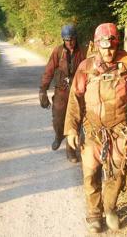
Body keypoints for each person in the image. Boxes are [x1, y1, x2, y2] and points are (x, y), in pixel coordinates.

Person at [64, 22, 127, 233]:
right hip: (92, 130)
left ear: (117, 45)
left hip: (118, 129)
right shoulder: (85, 67)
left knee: (117, 172)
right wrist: (71, 129)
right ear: (96, 45)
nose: (108, 51)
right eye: (104, 47)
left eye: (112, 46)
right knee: (91, 173)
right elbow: (75, 99)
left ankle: (111, 208)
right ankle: (94, 214)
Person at [39, 24, 85, 163]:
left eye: (72, 39)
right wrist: (43, 90)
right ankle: (59, 136)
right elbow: (49, 70)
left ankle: (70, 151)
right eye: (67, 40)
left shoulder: (83, 51)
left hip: (77, 91)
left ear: (76, 38)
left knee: (75, 121)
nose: (70, 42)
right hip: (61, 91)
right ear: (63, 40)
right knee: (58, 120)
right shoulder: (58, 52)